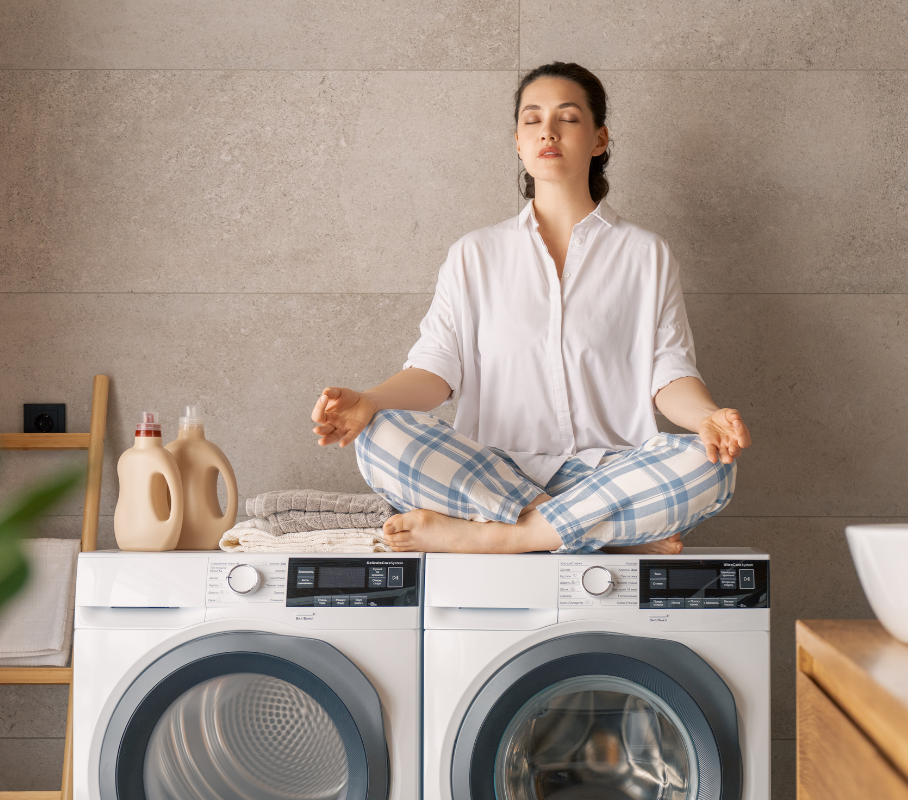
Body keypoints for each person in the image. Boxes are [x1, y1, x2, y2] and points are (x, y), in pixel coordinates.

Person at [311, 62, 751, 555]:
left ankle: (506, 537)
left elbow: (669, 374)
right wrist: (370, 401)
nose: (548, 131)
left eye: (568, 117)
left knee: (710, 465)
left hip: (608, 474)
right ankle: (595, 535)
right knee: (380, 434)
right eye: (532, 119)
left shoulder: (646, 254)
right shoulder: (473, 254)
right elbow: (435, 370)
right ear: (518, 143)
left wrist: (708, 417)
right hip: (490, 476)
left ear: (600, 139)